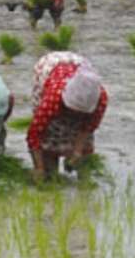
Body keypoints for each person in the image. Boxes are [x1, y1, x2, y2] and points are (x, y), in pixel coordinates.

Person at [27, 51, 107, 182]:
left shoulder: (100, 98)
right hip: (50, 65)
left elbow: (88, 127)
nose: (75, 115)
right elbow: (34, 134)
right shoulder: (52, 98)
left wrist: (76, 152)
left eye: (81, 112)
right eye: (73, 110)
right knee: (50, 141)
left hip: (78, 64)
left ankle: (81, 175)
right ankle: (49, 171)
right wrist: (39, 168)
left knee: (84, 158)